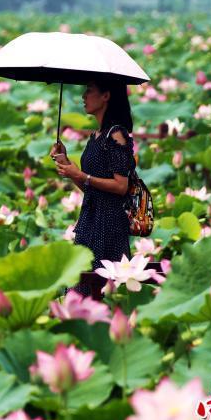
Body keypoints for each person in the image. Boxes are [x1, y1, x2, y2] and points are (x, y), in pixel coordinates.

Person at [51, 79, 136, 283]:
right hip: (90, 221)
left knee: (102, 286)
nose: (83, 96)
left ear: (106, 96)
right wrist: (67, 164)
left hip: (109, 225)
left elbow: (121, 186)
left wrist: (81, 175)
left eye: (89, 91)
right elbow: (91, 189)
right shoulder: (96, 137)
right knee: (82, 282)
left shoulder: (116, 134)